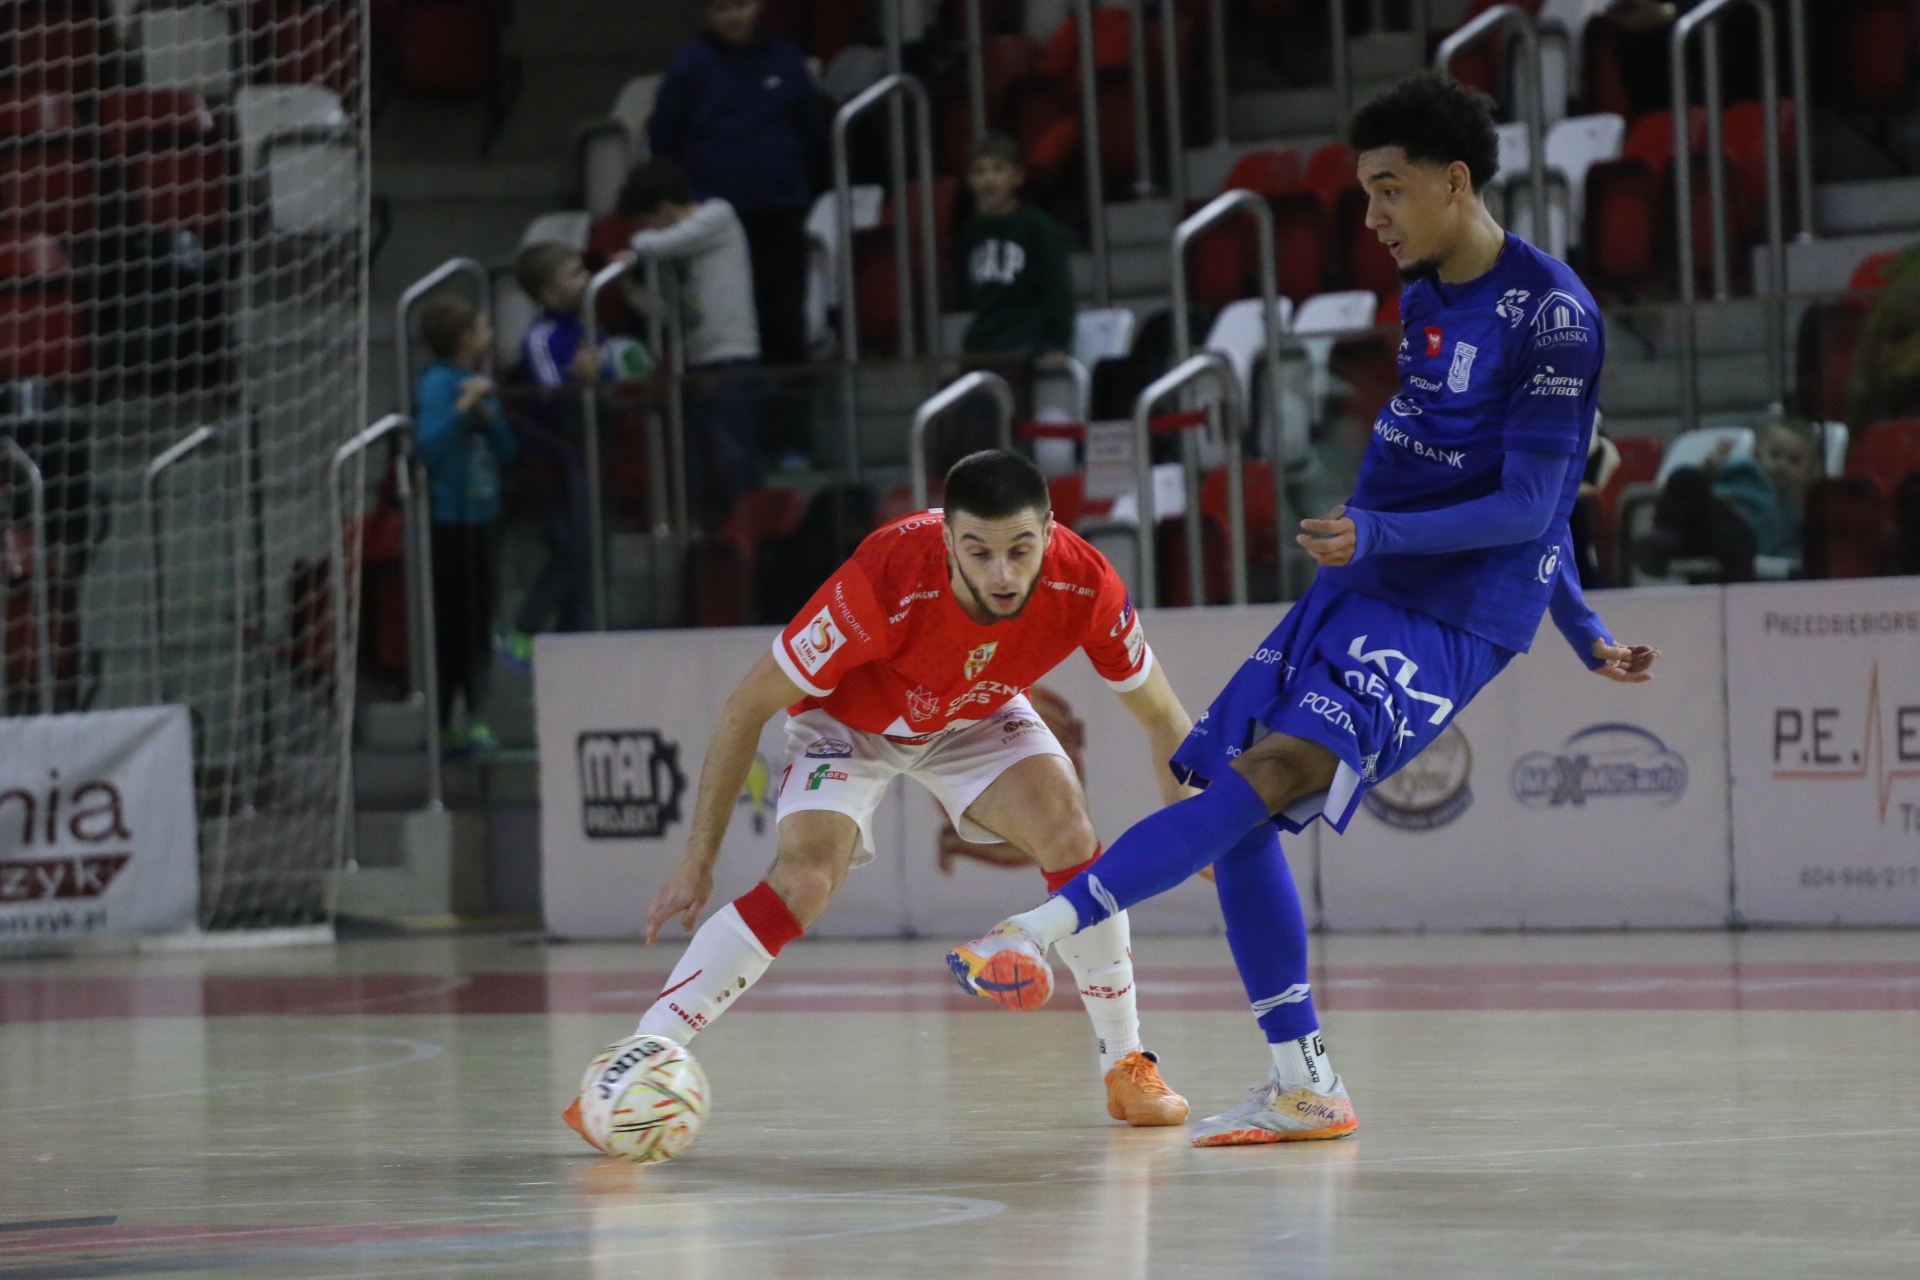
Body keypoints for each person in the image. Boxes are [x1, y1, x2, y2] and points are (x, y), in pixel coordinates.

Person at [948, 72, 1662, 1147]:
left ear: (1454, 181)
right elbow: (1519, 490)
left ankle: (1036, 928)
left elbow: (1531, 506)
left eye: (1388, 190)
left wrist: (1532, 603)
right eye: (1364, 192)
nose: (1370, 217)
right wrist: (1582, 625)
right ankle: (1304, 1078)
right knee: (1231, 792)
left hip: (1457, 605)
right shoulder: (1425, 292)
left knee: (1274, 773)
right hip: (1366, 580)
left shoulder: (1553, 315)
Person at [562, 449, 1199, 1153]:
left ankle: (1126, 1065)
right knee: (806, 879)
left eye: (1020, 551)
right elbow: (748, 704)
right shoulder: (884, 579)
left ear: (1049, 533)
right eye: (979, 552)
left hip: (974, 713)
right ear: (947, 538)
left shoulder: (1086, 582)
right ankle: (635, 1063)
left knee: (1070, 832)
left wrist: (1200, 826)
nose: (1002, 574)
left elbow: (1164, 715)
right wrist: (697, 858)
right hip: (849, 722)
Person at [647, 0, 825, 366]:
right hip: (713, 218)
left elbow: (812, 132)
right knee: (723, 323)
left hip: (779, 209)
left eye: (740, 5)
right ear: (706, 11)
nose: (732, 16)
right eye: (721, 8)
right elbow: (665, 137)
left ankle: (790, 402)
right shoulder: (689, 66)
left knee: (784, 316)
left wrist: (797, 184)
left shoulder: (785, 60)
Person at [620, 157, 765, 533]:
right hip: (699, 361)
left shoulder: (718, 216)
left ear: (665, 209)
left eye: (646, 222)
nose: (644, 232)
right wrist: (632, 292)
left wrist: (634, 246)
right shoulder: (677, 252)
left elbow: (653, 244)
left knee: (734, 458)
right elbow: (673, 312)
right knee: (707, 465)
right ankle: (721, 539)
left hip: (731, 357)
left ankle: (751, 535)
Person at [413, 294, 517, 754]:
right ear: (464, 338)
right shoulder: (438, 383)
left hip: (483, 516)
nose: (490, 334)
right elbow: (426, 448)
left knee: (480, 624)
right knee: (451, 626)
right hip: (448, 522)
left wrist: (488, 413)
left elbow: (508, 451)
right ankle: (442, 719)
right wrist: (462, 409)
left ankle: (477, 714)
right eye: (482, 326)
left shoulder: (479, 382)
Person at [499, 242, 599, 666]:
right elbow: (549, 396)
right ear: (548, 291)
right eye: (573, 274)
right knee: (568, 554)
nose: (586, 280)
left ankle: (573, 648)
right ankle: (523, 633)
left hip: (587, 460)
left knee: (588, 558)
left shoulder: (589, 329)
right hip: (551, 465)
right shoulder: (542, 338)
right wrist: (578, 379)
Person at [959, 132, 1076, 361]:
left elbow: (1058, 289)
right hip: (982, 341)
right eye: (979, 172)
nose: (989, 180)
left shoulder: (1036, 226)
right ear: (970, 180)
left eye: (998, 170)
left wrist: (1057, 343)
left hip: (1026, 341)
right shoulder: (972, 231)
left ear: (1018, 177)